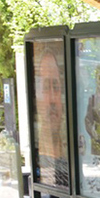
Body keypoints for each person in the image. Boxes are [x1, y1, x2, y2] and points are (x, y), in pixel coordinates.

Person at [35, 47, 69, 188]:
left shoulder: (71, 142)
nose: (53, 99)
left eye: (56, 87)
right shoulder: (38, 148)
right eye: (46, 88)